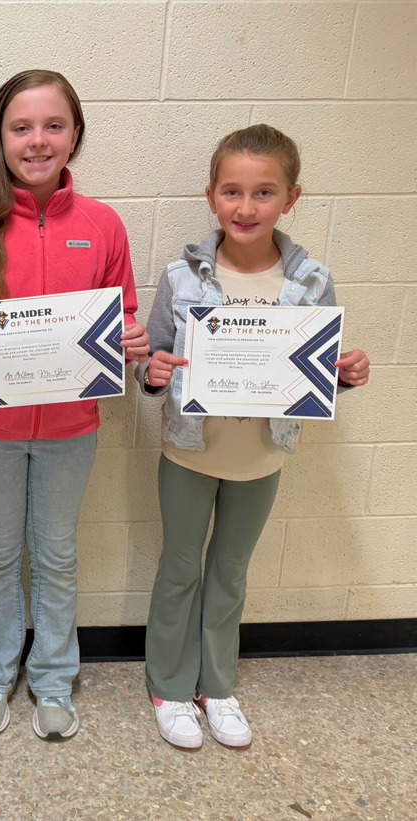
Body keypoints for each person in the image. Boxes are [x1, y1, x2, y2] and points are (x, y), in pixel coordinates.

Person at [0, 70, 149, 741]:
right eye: (21, 127)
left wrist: (131, 337)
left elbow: (125, 314)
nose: (38, 140)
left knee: (55, 554)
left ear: (75, 133)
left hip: (71, 428)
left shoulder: (103, 225)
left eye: (53, 125)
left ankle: (53, 678)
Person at [137, 124, 370, 749]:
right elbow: (152, 362)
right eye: (233, 191)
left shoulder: (311, 282)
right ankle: (169, 687)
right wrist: (152, 373)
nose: (246, 207)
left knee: (231, 570)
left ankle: (217, 685)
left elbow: (320, 371)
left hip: (262, 454)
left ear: (291, 199)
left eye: (263, 193)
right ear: (211, 195)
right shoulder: (181, 278)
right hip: (189, 449)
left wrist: (345, 375)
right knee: (181, 567)